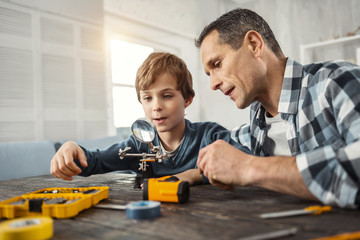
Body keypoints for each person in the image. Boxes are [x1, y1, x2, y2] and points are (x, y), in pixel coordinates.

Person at [195, 8, 360, 208]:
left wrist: (248, 167)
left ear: (254, 45)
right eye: (208, 73)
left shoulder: (335, 81)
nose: (213, 84)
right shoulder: (257, 117)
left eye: (217, 64)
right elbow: (220, 146)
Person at [50, 52, 249, 185]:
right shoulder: (138, 145)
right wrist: (70, 149)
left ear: (187, 99)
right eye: (147, 98)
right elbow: (95, 162)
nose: (156, 106)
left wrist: (191, 175)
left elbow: (246, 163)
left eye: (167, 95)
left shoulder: (210, 135)